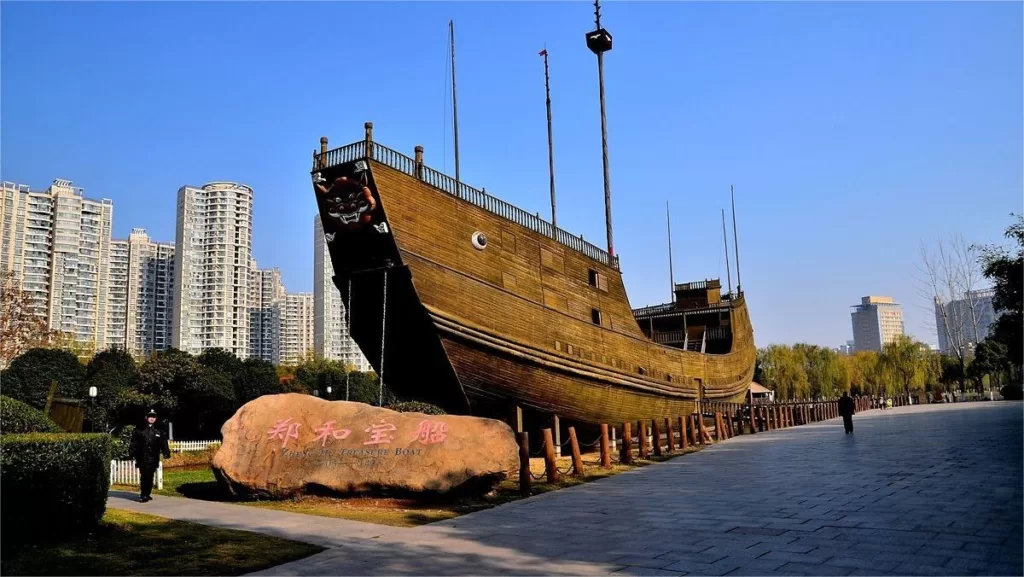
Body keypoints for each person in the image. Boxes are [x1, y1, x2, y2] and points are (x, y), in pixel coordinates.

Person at [129, 409, 170, 502]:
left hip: (154, 457)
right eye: (150, 416)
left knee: (150, 475)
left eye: (153, 417)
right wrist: (132, 453)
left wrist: (166, 452)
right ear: (146, 417)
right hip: (142, 457)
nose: (152, 419)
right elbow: (134, 443)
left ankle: (148, 493)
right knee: (144, 475)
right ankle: (143, 494)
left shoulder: (159, 430)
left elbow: (163, 443)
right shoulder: (139, 429)